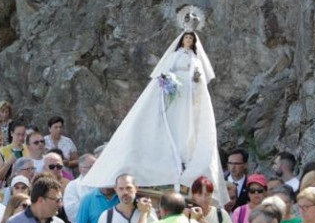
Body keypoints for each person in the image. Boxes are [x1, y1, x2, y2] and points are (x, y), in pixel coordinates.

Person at [82, 28, 225, 203]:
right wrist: (170, 81)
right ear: (182, 40)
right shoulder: (175, 55)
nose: (188, 41)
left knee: (186, 127)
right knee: (173, 123)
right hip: (175, 91)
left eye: (190, 39)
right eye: (186, 38)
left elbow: (199, 79)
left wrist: (196, 80)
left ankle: (183, 159)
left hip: (188, 95)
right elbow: (165, 72)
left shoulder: (194, 58)